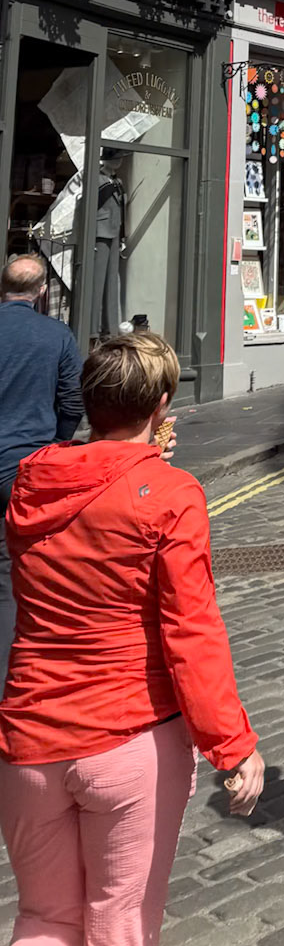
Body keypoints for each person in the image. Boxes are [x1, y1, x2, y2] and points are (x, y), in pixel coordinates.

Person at [0, 334, 264, 946]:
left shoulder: (29, 486)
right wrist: (233, 747)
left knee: (43, 922)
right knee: (119, 927)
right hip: (127, 736)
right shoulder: (172, 498)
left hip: (29, 742)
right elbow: (191, 632)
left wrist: (140, 458)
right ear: (163, 404)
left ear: (90, 401)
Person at [0, 253, 82, 684]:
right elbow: (72, 402)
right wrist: (54, 448)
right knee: (15, 579)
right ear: (42, 293)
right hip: (22, 471)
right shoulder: (57, 335)